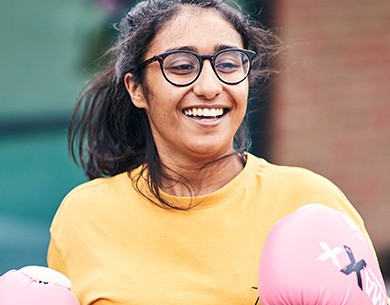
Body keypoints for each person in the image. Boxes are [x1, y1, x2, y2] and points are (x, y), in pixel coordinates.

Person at [47, 0, 387, 304]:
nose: (210, 87)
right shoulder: (83, 216)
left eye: (228, 64)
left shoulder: (310, 201)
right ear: (137, 88)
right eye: (181, 66)